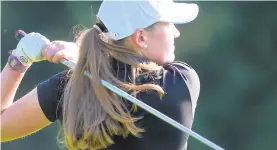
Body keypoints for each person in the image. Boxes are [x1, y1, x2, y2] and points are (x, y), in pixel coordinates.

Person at [1, 0, 200, 150]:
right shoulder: (181, 82)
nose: (176, 33)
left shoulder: (72, 85)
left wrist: (20, 59)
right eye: (168, 24)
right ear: (140, 37)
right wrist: (82, 59)